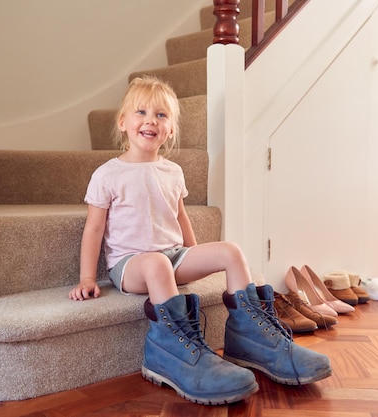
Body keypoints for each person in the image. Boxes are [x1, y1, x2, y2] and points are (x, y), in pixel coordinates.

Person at [68, 75, 332, 405]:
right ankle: (169, 349)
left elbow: (179, 216)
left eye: (161, 115)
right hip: (132, 266)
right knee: (156, 262)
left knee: (230, 251)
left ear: (171, 130)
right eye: (141, 112)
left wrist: (195, 253)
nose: (151, 120)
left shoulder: (172, 172)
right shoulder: (108, 174)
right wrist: (87, 278)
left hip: (173, 256)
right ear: (123, 122)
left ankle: (252, 337)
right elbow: (93, 230)